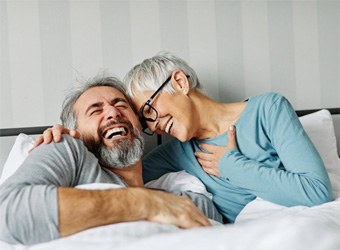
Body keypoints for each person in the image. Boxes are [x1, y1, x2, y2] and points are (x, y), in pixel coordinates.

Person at [34, 52, 333, 224]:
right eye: (145, 121)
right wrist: (68, 140)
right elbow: (115, 178)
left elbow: (317, 191)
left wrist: (233, 166)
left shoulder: (268, 109)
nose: (155, 126)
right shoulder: (176, 154)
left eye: (150, 109)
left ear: (179, 81)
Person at [0, 76, 222, 246]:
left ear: (139, 123)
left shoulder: (185, 201)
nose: (113, 113)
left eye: (121, 105)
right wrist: (144, 203)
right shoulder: (67, 147)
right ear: (75, 131)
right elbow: (7, 213)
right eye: (95, 110)